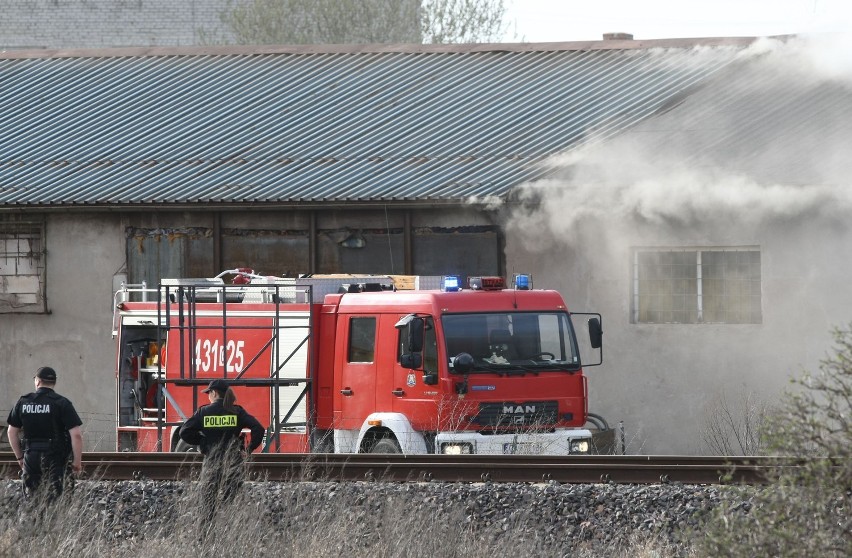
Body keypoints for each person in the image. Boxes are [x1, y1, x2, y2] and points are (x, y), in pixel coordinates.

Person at [179, 379, 264, 521]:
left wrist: (203, 443)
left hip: (212, 462)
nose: (208, 396)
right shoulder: (237, 412)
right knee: (230, 503)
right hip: (233, 462)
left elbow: (184, 432)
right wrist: (248, 450)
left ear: (214, 393)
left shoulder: (204, 412)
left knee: (208, 504)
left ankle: (205, 537)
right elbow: (258, 428)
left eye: (209, 393)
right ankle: (228, 533)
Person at [6, 366, 83, 502]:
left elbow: (11, 432)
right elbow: (76, 434)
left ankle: (36, 522)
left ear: (37, 381)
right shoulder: (62, 403)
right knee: (56, 500)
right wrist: (77, 463)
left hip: (30, 457)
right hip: (55, 458)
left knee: (33, 500)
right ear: (54, 382)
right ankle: (54, 522)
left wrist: (20, 458)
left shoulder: (23, 402)